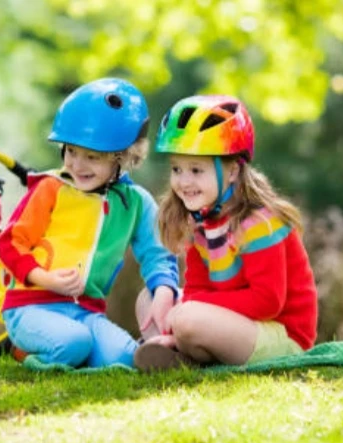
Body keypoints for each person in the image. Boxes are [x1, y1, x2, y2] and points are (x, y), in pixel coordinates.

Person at [0, 78, 180, 368]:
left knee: (126, 358)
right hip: (30, 306)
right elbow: (9, 244)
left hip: (86, 313)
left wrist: (165, 290)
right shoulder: (50, 188)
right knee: (74, 343)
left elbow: (158, 255)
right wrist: (44, 279)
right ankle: (25, 351)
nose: (77, 165)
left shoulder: (136, 203)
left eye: (92, 157)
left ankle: (81, 350)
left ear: (124, 157)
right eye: (71, 151)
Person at [133, 94, 318, 371]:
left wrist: (189, 309)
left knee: (186, 318)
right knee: (151, 298)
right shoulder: (201, 221)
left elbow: (267, 302)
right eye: (176, 169)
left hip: (281, 336)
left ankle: (181, 346)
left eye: (196, 170)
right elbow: (197, 286)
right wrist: (184, 305)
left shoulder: (259, 223)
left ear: (232, 172)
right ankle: (178, 350)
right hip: (234, 324)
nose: (183, 182)